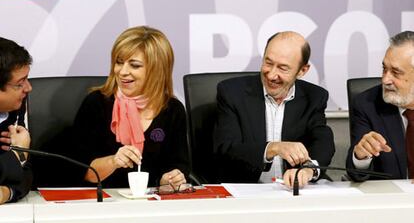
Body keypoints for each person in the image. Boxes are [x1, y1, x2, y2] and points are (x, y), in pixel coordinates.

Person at [213, 31, 335, 188]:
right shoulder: (231, 93)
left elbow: (322, 141)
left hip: (291, 191)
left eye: (283, 68)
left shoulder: (315, 97)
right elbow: (226, 148)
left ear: (302, 71)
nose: (271, 75)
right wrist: (272, 148)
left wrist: (307, 170)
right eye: (268, 63)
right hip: (246, 190)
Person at [72, 26, 189, 188]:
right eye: (119, 62)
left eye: (134, 65)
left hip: (152, 203)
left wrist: (170, 180)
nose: (122, 72)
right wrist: (113, 161)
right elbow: (79, 170)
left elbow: (179, 165)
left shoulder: (173, 109)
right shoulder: (96, 103)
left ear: (156, 70)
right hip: (101, 201)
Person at [346, 31, 414, 180]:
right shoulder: (367, 104)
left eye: (396, 72)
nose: (385, 80)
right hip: (393, 200)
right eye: (384, 69)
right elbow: (356, 174)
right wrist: (361, 156)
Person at [0, 37, 33, 203]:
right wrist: (18, 155)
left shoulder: (16, 108)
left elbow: (26, 173)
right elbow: (20, 161)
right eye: (20, 83)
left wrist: (8, 193)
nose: (29, 88)